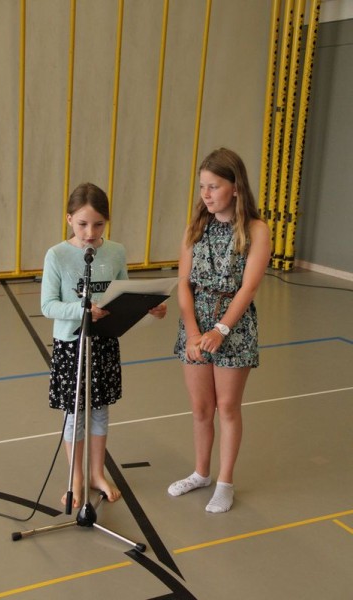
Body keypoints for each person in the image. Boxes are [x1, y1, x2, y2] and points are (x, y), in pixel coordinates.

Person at [41, 182, 166, 507]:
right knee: (75, 413)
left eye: (98, 224)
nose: (90, 232)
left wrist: (148, 308)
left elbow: (123, 295)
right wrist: (83, 309)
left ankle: (97, 473)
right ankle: (76, 477)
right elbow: (48, 305)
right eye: (82, 224)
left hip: (104, 341)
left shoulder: (115, 252)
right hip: (72, 344)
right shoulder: (57, 255)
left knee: (99, 410)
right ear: (69, 219)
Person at [168, 147, 271, 513]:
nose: (206, 194)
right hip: (196, 323)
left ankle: (224, 482)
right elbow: (184, 283)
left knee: (227, 407)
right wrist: (194, 332)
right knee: (201, 408)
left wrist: (221, 330)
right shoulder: (196, 227)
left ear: (236, 188)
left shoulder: (256, 230)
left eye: (214, 186)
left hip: (234, 326)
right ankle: (201, 473)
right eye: (202, 187)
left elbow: (249, 288)